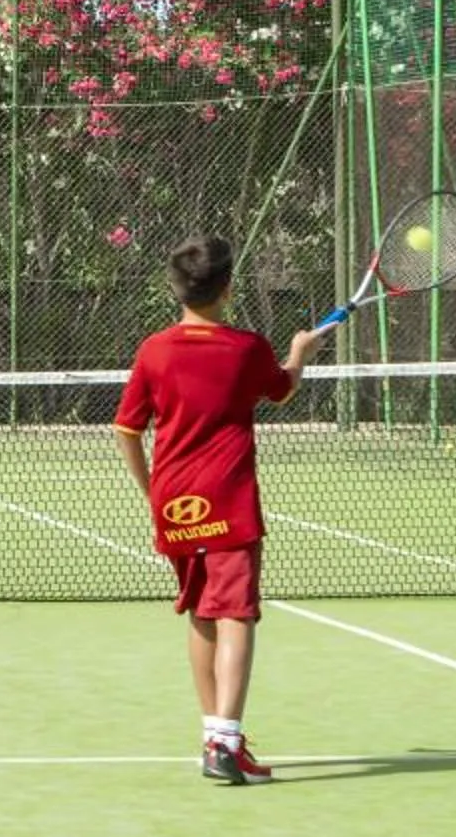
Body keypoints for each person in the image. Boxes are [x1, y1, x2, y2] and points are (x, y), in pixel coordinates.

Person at [115, 236, 330, 785]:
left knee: (203, 614)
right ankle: (227, 744)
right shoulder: (247, 348)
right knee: (236, 614)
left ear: (175, 288)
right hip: (229, 502)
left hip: (176, 504)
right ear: (228, 289)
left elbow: (126, 430)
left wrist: (152, 492)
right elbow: (282, 389)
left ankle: (215, 737)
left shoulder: (153, 350)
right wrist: (300, 354)